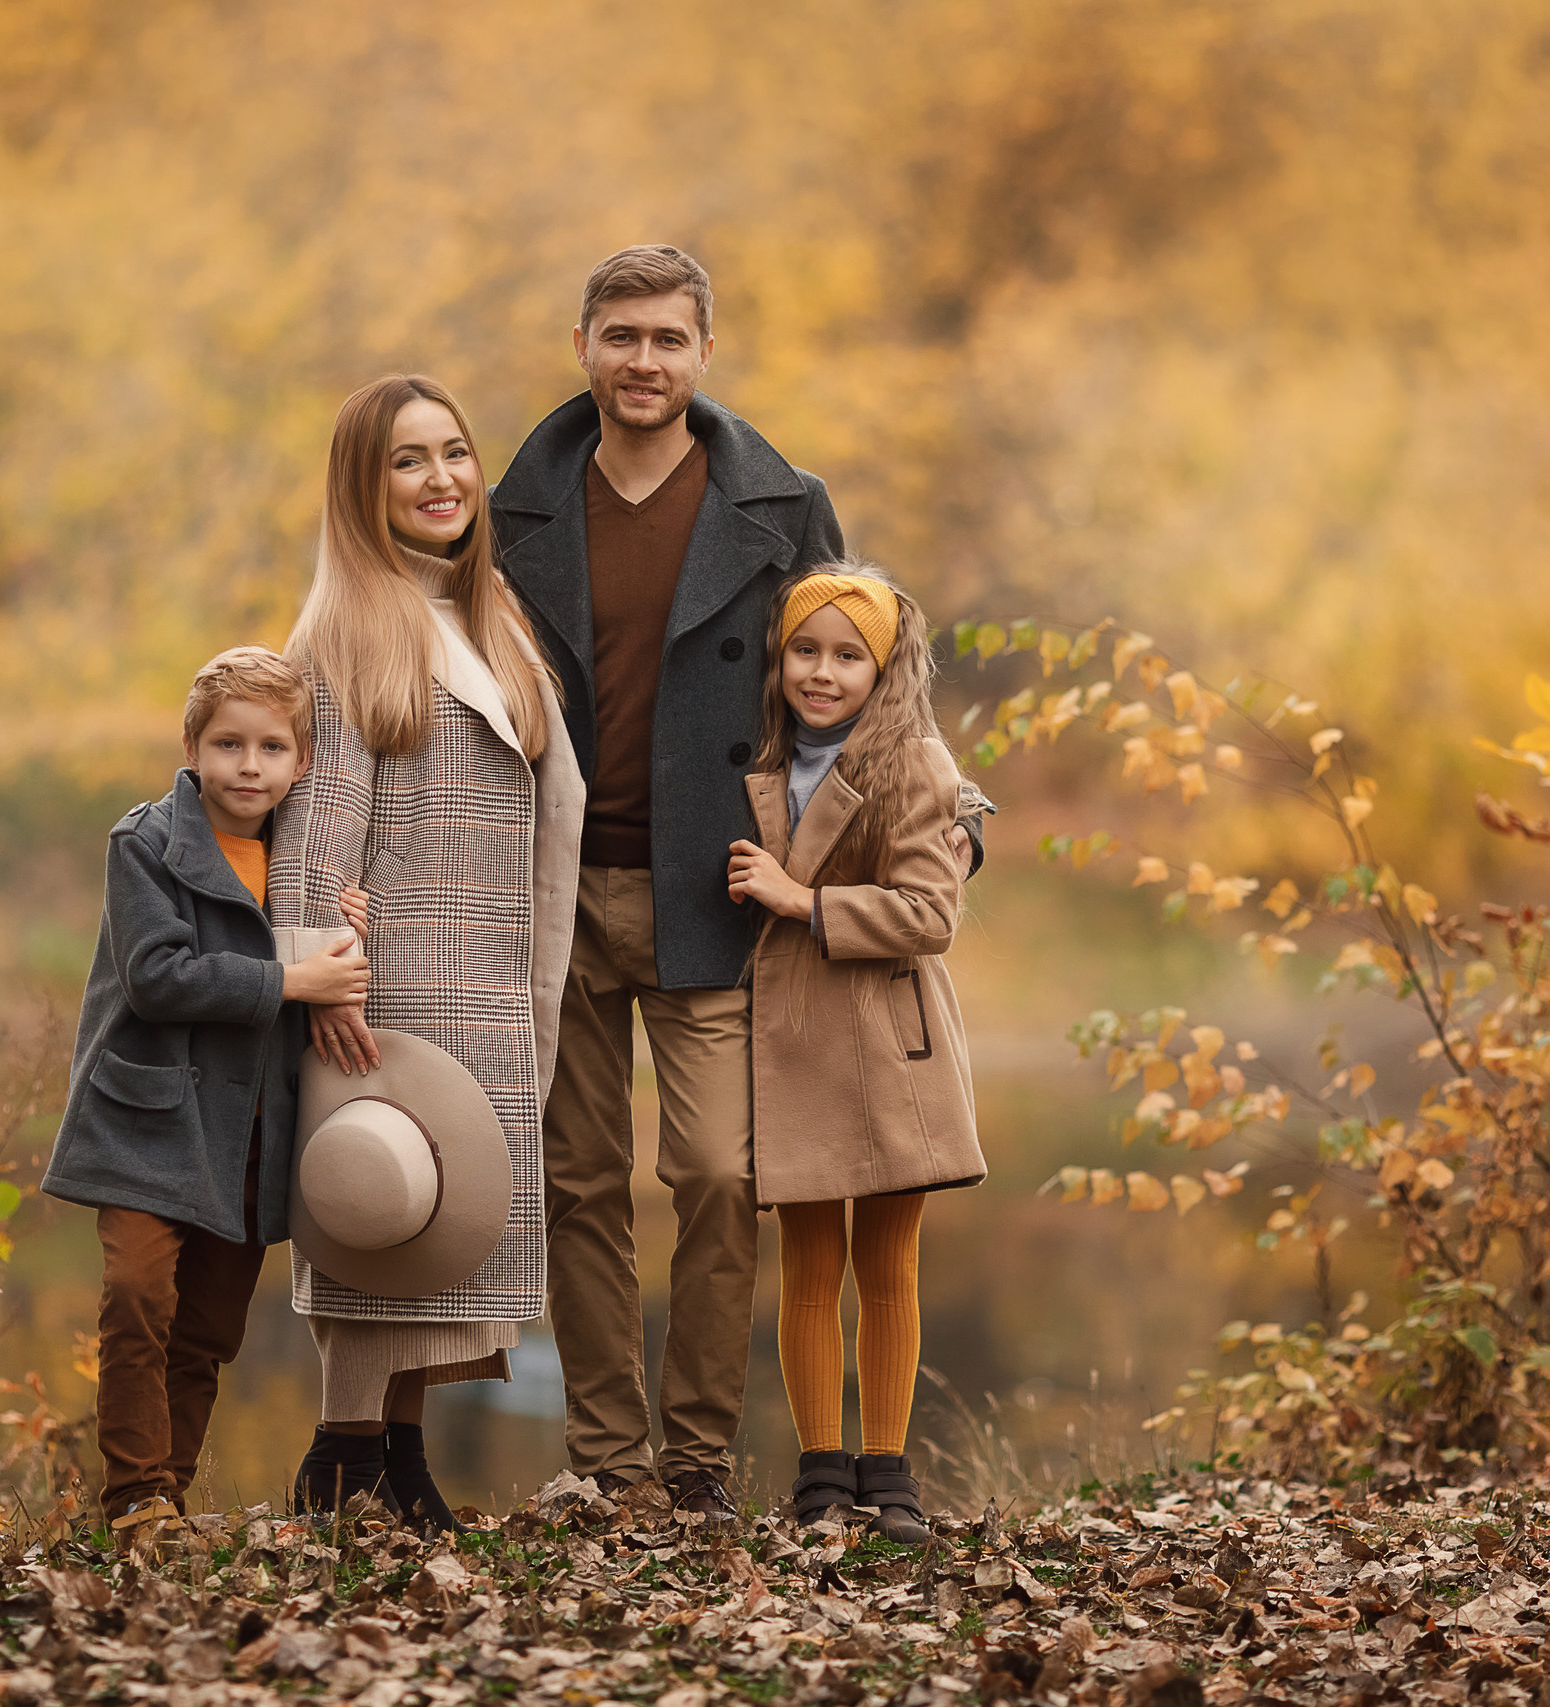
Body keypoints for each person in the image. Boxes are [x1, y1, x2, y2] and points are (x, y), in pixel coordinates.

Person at [491, 245, 988, 1520]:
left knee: (717, 1173)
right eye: (619, 335)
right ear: (584, 346)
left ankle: (699, 1461)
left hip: (718, 887)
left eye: (666, 337)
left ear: (704, 350)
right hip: (553, 889)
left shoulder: (778, 502)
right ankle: (610, 1460)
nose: (641, 360)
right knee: (579, 1182)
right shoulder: (517, 510)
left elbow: (861, 672)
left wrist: (952, 807)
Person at [270, 373, 584, 1531]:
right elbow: (318, 826)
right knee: (384, 1209)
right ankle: (342, 1458)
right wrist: (319, 969)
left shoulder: (481, 608)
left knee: (435, 1238)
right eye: (408, 461)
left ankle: (393, 1455)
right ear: (365, 486)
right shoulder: (347, 626)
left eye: (453, 452)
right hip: (392, 984)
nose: (442, 478)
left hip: (488, 978)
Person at [39, 646, 372, 1532]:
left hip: (250, 1133)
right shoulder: (145, 843)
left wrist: (339, 935)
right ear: (192, 746)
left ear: (302, 761)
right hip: (150, 1119)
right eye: (228, 744)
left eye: (271, 747)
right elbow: (159, 977)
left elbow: (332, 975)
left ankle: (166, 1504)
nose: (249, 766)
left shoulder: (304, 857)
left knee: (207, 1330)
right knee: (138, 1298)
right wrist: (291, 980)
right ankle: (133, 1498)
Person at [725, 564, 985, 1544]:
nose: (822, 673)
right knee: (804, 1263)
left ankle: (889, 1471)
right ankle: (820, 1474)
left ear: (883, 668)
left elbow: (929, 914)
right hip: (792, 1034)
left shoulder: (912, 761)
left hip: (886, 1038)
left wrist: (801, 902)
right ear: (778, 656)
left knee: (887, 1262)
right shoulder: (757, 755)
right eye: (805, 650)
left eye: (848, 655)